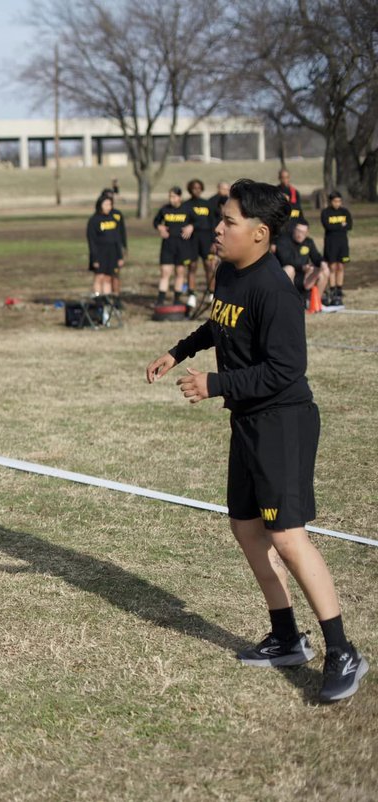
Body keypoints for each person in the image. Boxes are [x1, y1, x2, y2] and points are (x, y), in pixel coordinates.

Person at [146, 178, 366, 703]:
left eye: (229, 222)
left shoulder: (276, 290)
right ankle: (287, 635)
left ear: (261, 234)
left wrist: (215, 384)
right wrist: (179, 352)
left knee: (288, 537)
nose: (217, 229)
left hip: (282, 421)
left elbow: (288, 371)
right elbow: (218, 324)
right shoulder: (228, 273)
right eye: (220, 219)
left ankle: (342, 650)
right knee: (246, 528)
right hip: (247, 421)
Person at [152, 186, 195, 306]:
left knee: (180, 272)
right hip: (168, 245)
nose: (171, 199)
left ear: (180, 197)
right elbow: (156, 222)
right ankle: (160, 301)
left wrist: (191, 227)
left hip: (183, 245)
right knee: (165, 272)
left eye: (174, 196)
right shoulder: (164, 209)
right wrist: (159, 227)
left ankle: (176, 300)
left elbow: (197, 221)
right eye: (170, 196)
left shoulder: (187, 209)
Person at [276, 221, 328, 306]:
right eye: (298, 231)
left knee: (325, 271)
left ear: (307, 233)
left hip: (304, 276)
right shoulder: (283, 240)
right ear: (294, 230)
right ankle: (289, 303)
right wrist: (302, 267)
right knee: (289, 269)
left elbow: (316, 257)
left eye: (303, 232)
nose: (300, 234)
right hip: (288, 277)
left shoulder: (309, 242)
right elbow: (285, 260)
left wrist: (322, 262)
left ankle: (314, 303)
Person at [86, 195, 123, 301]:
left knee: (108, 277)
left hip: (112, 252)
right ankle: (97, 299)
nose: (108, 207)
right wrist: (94, 258)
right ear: (100, 205)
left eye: (110, 204)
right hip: (99, 252)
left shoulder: (113, 219)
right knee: (99, 277)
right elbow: (91, 241)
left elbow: (117, 239)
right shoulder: (94, 220)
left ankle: (107, 301)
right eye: (106, 204)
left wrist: (120, 256)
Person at [186, 179, 217, 298]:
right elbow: (184, 224)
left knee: (209, 265)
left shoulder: (207, 204)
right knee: (192, 266)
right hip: (192, 239)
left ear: (202, 189)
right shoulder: (186, 205)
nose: (196, 190)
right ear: (190, 190)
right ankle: (191, 294)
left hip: (206, 238)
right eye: (194, 188)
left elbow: (213, 223)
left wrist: (214, 240)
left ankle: (212, 292)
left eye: (199, 188)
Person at [320, 192, 352, 307]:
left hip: (342, 243)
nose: (337, 203)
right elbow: (328, 226)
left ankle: (339, 289)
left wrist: (339, 226)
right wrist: (340, 226)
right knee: (332, 266)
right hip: (331, 243)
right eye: (335, 201)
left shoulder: (345, 212)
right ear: (330, 201)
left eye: (339, 201)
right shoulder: (326, 213)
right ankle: (332, 289)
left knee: (341, 266)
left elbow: (349, 226)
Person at [99, 189, 128, 305]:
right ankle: (104, 299)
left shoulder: (117, 214)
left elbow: (122, 232)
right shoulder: (98, 217)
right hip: (103, 251)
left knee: (115, 275)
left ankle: (116, 300)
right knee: (104, 276)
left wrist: (124, 247)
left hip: (115, 249)